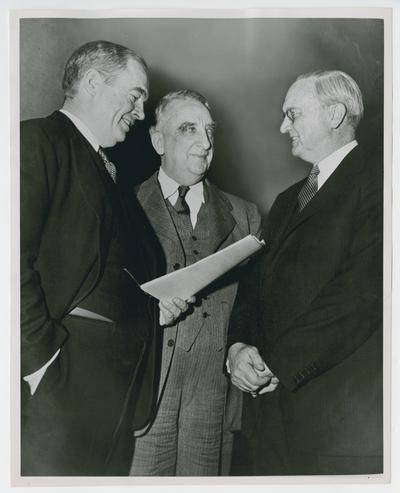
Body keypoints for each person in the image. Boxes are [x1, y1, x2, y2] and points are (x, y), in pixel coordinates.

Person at [21, 40, 190, 476]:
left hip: (113, 395)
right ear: (94, 82)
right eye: (134, 96)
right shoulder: (34, 141)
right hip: (59, 387)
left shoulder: (111, 171)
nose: (139, 112)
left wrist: (154, 307)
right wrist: (40, 364)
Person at [227, 70, 383, 475]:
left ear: (334, 115)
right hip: (271, 424)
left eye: (292, 114)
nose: (283, 127)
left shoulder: (382, 181)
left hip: (339, 424)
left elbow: (360, 294)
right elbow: (252, 285)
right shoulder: (285, 201)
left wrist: (277, 363)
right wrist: (238, 347)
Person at [130, 90, 261, 476]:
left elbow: (256, 304)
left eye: (209, 131)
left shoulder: (246, 215)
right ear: (158, 140)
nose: (205, 143)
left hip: (214, 401)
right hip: (144, 400)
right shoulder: (123, 204)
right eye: (189, 129)